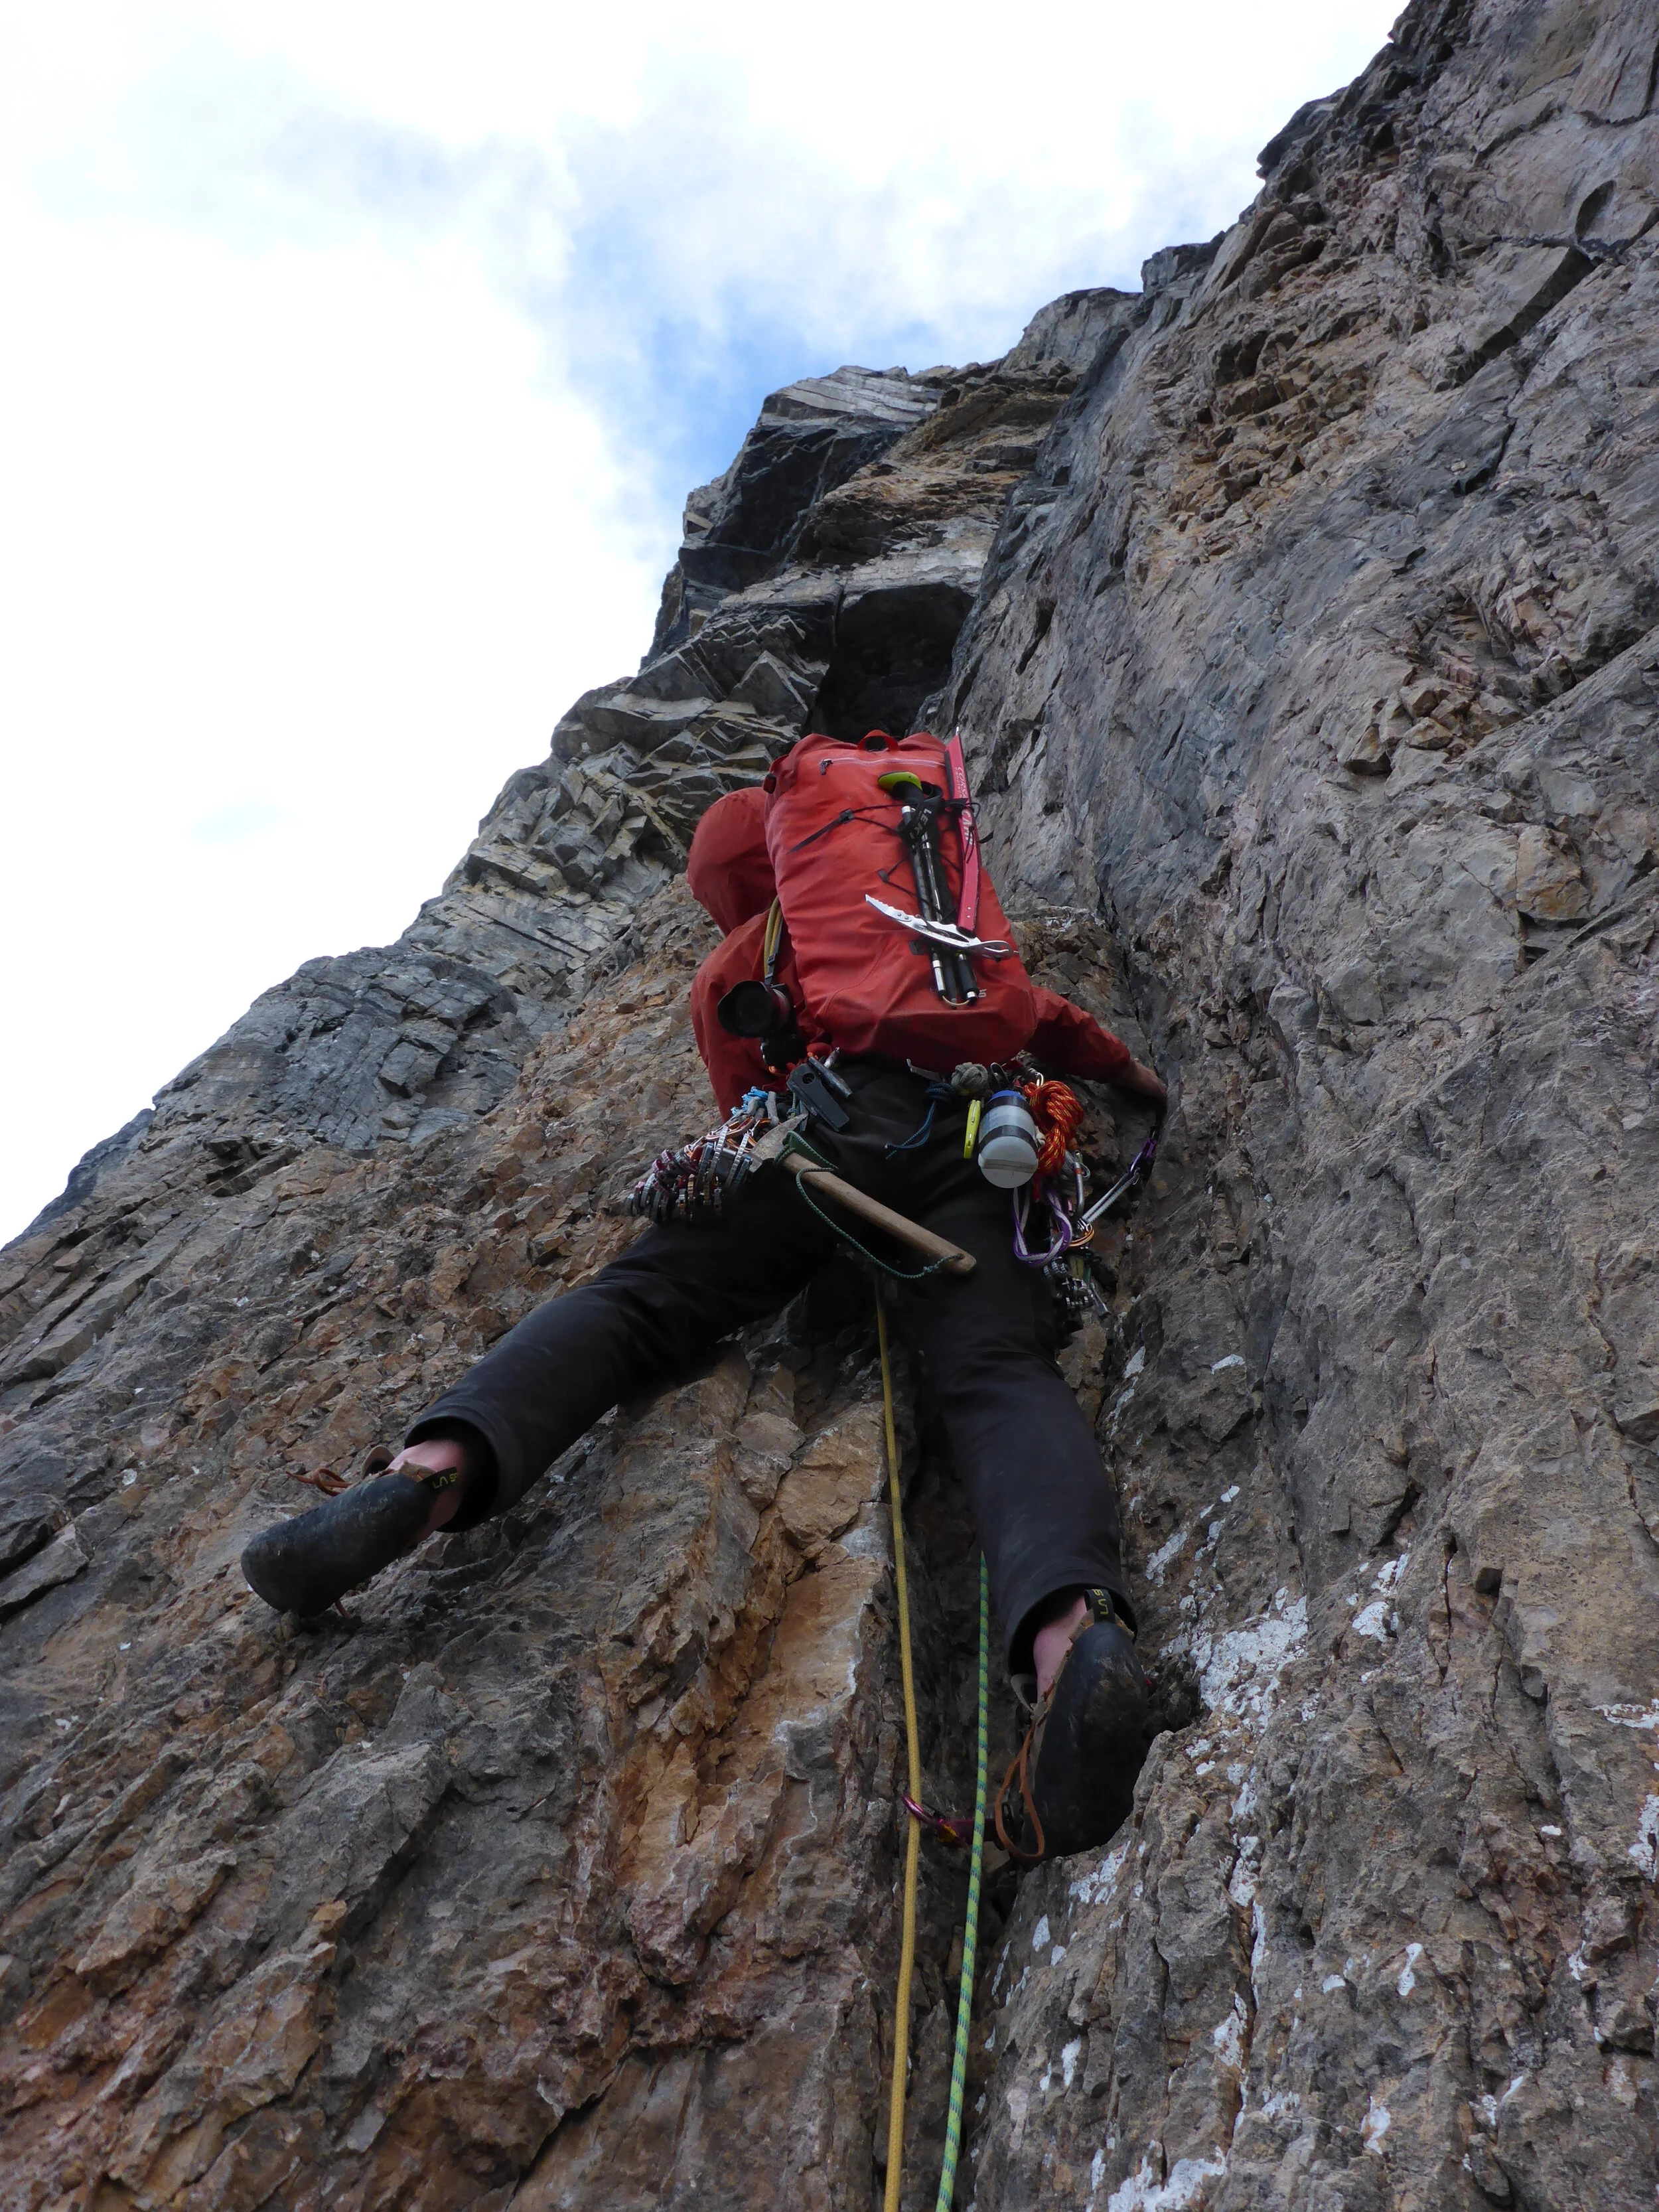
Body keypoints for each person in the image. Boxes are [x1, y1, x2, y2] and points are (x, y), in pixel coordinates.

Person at [242, 735, 1167, 1858]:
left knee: (641, 1302)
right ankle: (1074, 1638)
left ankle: (432, 1473)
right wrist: (1131, 1078)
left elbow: (745, 1097)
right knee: (995, 1375)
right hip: (979, 1145)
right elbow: (1049, 1024)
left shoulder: (747, 958)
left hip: (819, 1145)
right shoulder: (949, 927)